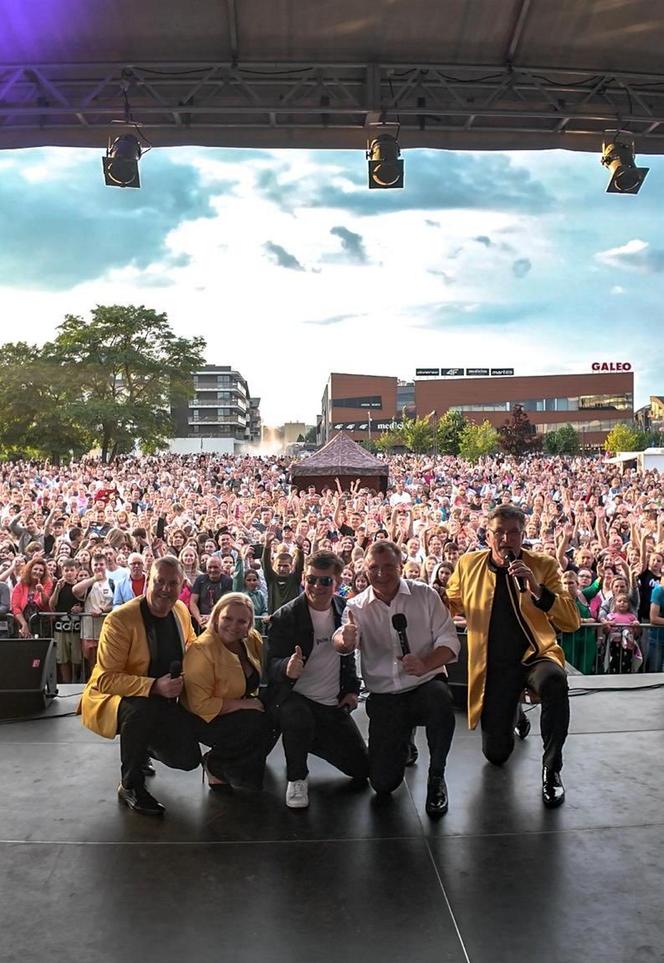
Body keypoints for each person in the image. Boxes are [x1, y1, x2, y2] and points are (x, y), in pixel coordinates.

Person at [445, 505, 580, 808]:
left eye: (513, 532)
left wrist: (536, 588)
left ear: (523, 534)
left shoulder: (543, 565)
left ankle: (552, 769)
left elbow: (571, 620)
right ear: (487, 535)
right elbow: (450, 603)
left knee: (555, 682)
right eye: (499, 533)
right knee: (496, 755)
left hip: (536, 655)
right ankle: (515, 713)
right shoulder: (468, 564)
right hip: (493, 665)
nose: (506, 539)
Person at [334, 540, 459, 818]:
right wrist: (345, 639)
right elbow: (343, 640)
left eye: (388, 566)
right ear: (364, 569)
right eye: (373, 567)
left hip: (424, 685)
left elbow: (450, 640)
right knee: (383, 784)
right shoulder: (356, 606)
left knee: (440, 701)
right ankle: (403, 740)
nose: (381, 573)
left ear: (400, 566)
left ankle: (437, 775)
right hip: (385, 696)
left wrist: (426, 663)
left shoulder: (425, 595)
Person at [79, 556, 201, 816]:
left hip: (165, 698)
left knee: (188, 760)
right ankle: (130, 785)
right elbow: (106, 678)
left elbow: (191, 646)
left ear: (182, 586)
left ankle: (142, 745)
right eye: (160, 582)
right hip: (119, 697)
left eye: (173, 583)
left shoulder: (180, 611)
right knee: (141, 711)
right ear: (148, 580)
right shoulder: (120, 620)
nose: (166, 589)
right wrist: (155, 686)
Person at [266, 550, 369, 809]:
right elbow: (271, 664)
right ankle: (297, 777)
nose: (317, 586)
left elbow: (348, 659)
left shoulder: (345, 611)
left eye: (325, 581)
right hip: (295, 698)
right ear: (303, 579)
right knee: (297, 717)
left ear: (337, 583)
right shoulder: (285, 617)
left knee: (363, 769)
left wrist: (352, 691)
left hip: (331, 704)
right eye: (312, 579)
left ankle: (309, 738)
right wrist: (286, 669)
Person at [181, 593, 269, 791]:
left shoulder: (250, 639)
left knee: (276, 711)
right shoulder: (201, 650)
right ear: (216, 616)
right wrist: (244, 704)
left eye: (241, 621)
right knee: (256, 721)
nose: (234, 625)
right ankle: (216, 764)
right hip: (202, 717)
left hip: (237, 707)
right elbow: (199, 705)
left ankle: (235, 763)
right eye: (227, 618)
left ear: (248, 624)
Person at [189, 555, 233, 629]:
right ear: (206, 568)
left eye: (215, 567)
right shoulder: (200, 580)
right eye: (210, 567)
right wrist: (199, 619)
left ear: (221, 568)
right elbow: (193, 602)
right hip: (201, 623)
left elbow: (227, 604)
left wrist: (212, 618)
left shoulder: (228, 581)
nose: (212, 570)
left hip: (220, 623)